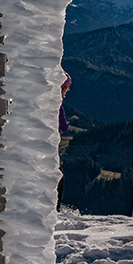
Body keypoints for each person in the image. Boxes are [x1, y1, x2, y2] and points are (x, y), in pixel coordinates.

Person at [57, 73, 71, 211]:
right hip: (52, 149)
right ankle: (56, 207)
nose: (68, 90)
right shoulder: (58, 106)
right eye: (67, 87)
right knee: (58, 177)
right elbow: (64, 127)